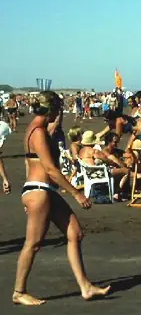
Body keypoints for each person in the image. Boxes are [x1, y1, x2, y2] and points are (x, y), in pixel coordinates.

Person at [13, 91, 110, 306]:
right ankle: (19, 291)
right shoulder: (38, 132)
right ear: (51, 109)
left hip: (42, 190)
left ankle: (85, 287)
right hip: (39, 190)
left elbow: (31, 162)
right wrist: (76, 193)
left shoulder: (35, 130)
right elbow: (51, 169)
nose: (59, 113)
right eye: (58, 109)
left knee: (75, 233)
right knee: (33, 243)